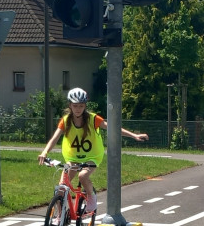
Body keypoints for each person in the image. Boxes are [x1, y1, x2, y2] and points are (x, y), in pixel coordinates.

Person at [37, 87, 148, 216]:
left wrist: (134, 136)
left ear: (85, 106)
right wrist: (45, 152)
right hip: (73, 157)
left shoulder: (92, 119)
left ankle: (91, 196)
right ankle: (60, 216)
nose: (78, 109)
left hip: (92, 156)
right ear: (70, 105)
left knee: (83, 176)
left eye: (81, 106)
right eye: (75, 106)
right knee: (61, 187)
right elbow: (54, 138)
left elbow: (112, 128)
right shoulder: (66, 120)